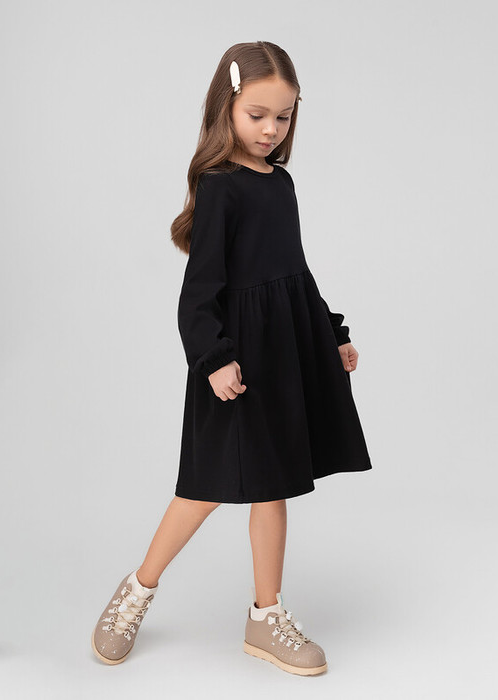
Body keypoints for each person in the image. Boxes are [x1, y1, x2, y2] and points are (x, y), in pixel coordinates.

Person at [91, 41, 372, 676]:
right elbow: (199, 291)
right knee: (203, 489)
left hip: (282, 352)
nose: (271, 130)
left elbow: (294, 271)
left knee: (273, 485)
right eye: (257, 115)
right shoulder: (220, 188)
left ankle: (265, 616)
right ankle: (137, 589)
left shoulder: (282, 184)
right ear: (227, 108)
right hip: (235, 361)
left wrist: (330, 332)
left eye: (284, 116)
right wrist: (214, 357)